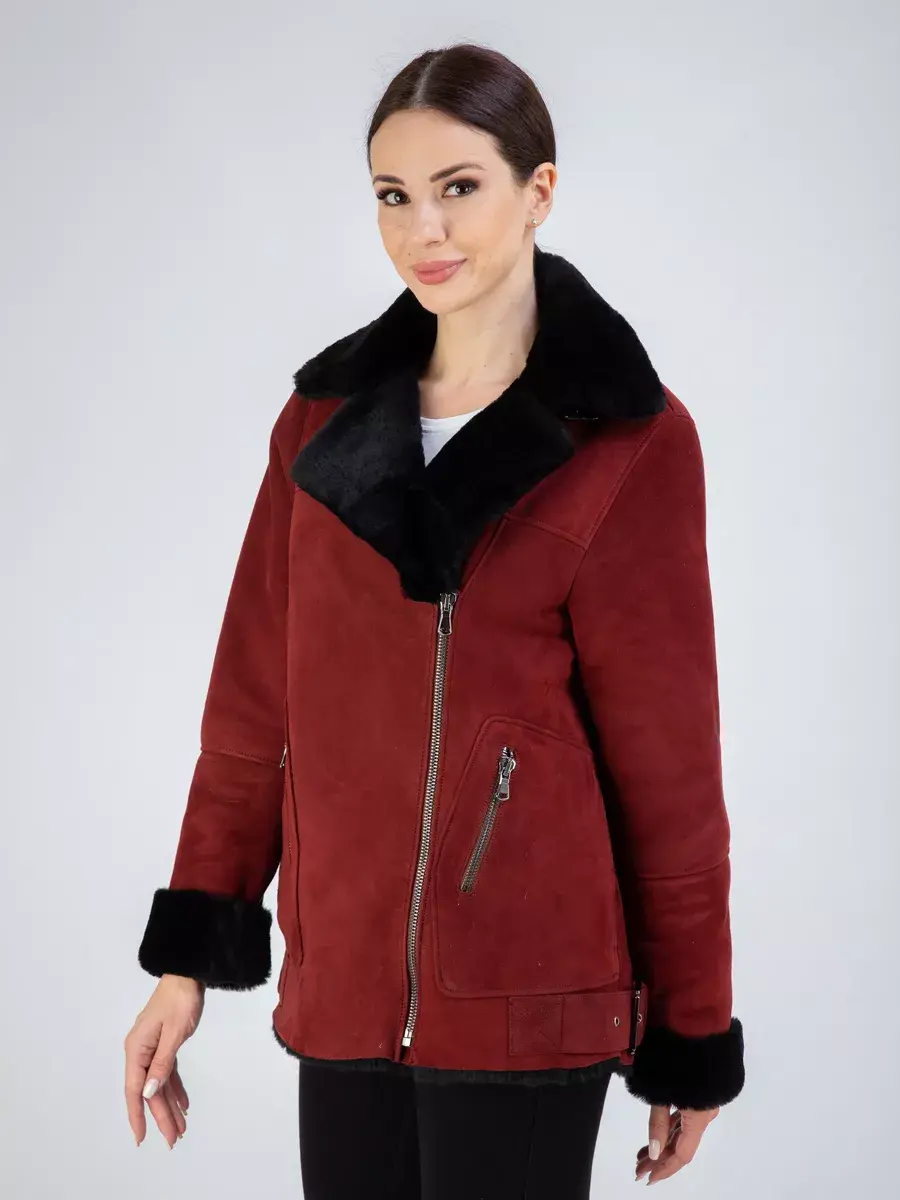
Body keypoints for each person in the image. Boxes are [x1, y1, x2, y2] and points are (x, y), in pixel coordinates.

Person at [124, 41, 745, 1198]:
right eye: (393, 195)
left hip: (530, 999)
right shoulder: (321, 427)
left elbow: (669, 766)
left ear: (538, 189)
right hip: (345, 988)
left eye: (459, 186)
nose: (425, 229)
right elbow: (253, 711)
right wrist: (188, 960)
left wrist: (692, 1030)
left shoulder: (630, 441)